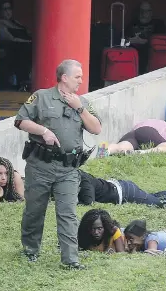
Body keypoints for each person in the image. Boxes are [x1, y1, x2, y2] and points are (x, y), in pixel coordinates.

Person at [14, 59, 102, 269]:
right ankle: (30, 249)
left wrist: (79, 108)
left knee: (68, 214)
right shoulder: (41, 97)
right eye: (77, 77)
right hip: (40, 165)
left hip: (68, 168)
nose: (81, 81)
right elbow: (20, 121)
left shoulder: (83, 102)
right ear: (64, 77)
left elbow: (96, 128)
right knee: (35, 210)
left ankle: (70, 260)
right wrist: (43, 131)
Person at [78, 170, 166, 207]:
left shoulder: (84, 181)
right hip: (122, 187)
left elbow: (88, 202)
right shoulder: (82, 175)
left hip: (125, 193)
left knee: (159, 202)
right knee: (154, 196)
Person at [0, 0, 32, 90]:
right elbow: (11, 39)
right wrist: (28, 42)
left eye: (9, 8)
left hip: (24, 52)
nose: (8, 12)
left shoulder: (16, 22)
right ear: (0, 11)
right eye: (5, 9)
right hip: (11, 54)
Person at [96, 119, 166, 158]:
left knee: (121, 147)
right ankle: (140, 153)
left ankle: (105, 149)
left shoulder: (148, 121)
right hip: (147, 131)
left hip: (132, 134)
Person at [126, 1, 166, 74]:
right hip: (133, 53)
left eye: (146, 11)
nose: (143, 13)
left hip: (150, 53)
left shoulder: (158, 24)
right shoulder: (132, 24)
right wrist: (131, 40)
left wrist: (145, 41)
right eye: (141, 11)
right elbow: (124, 40)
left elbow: (161, 41)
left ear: (151, 13)